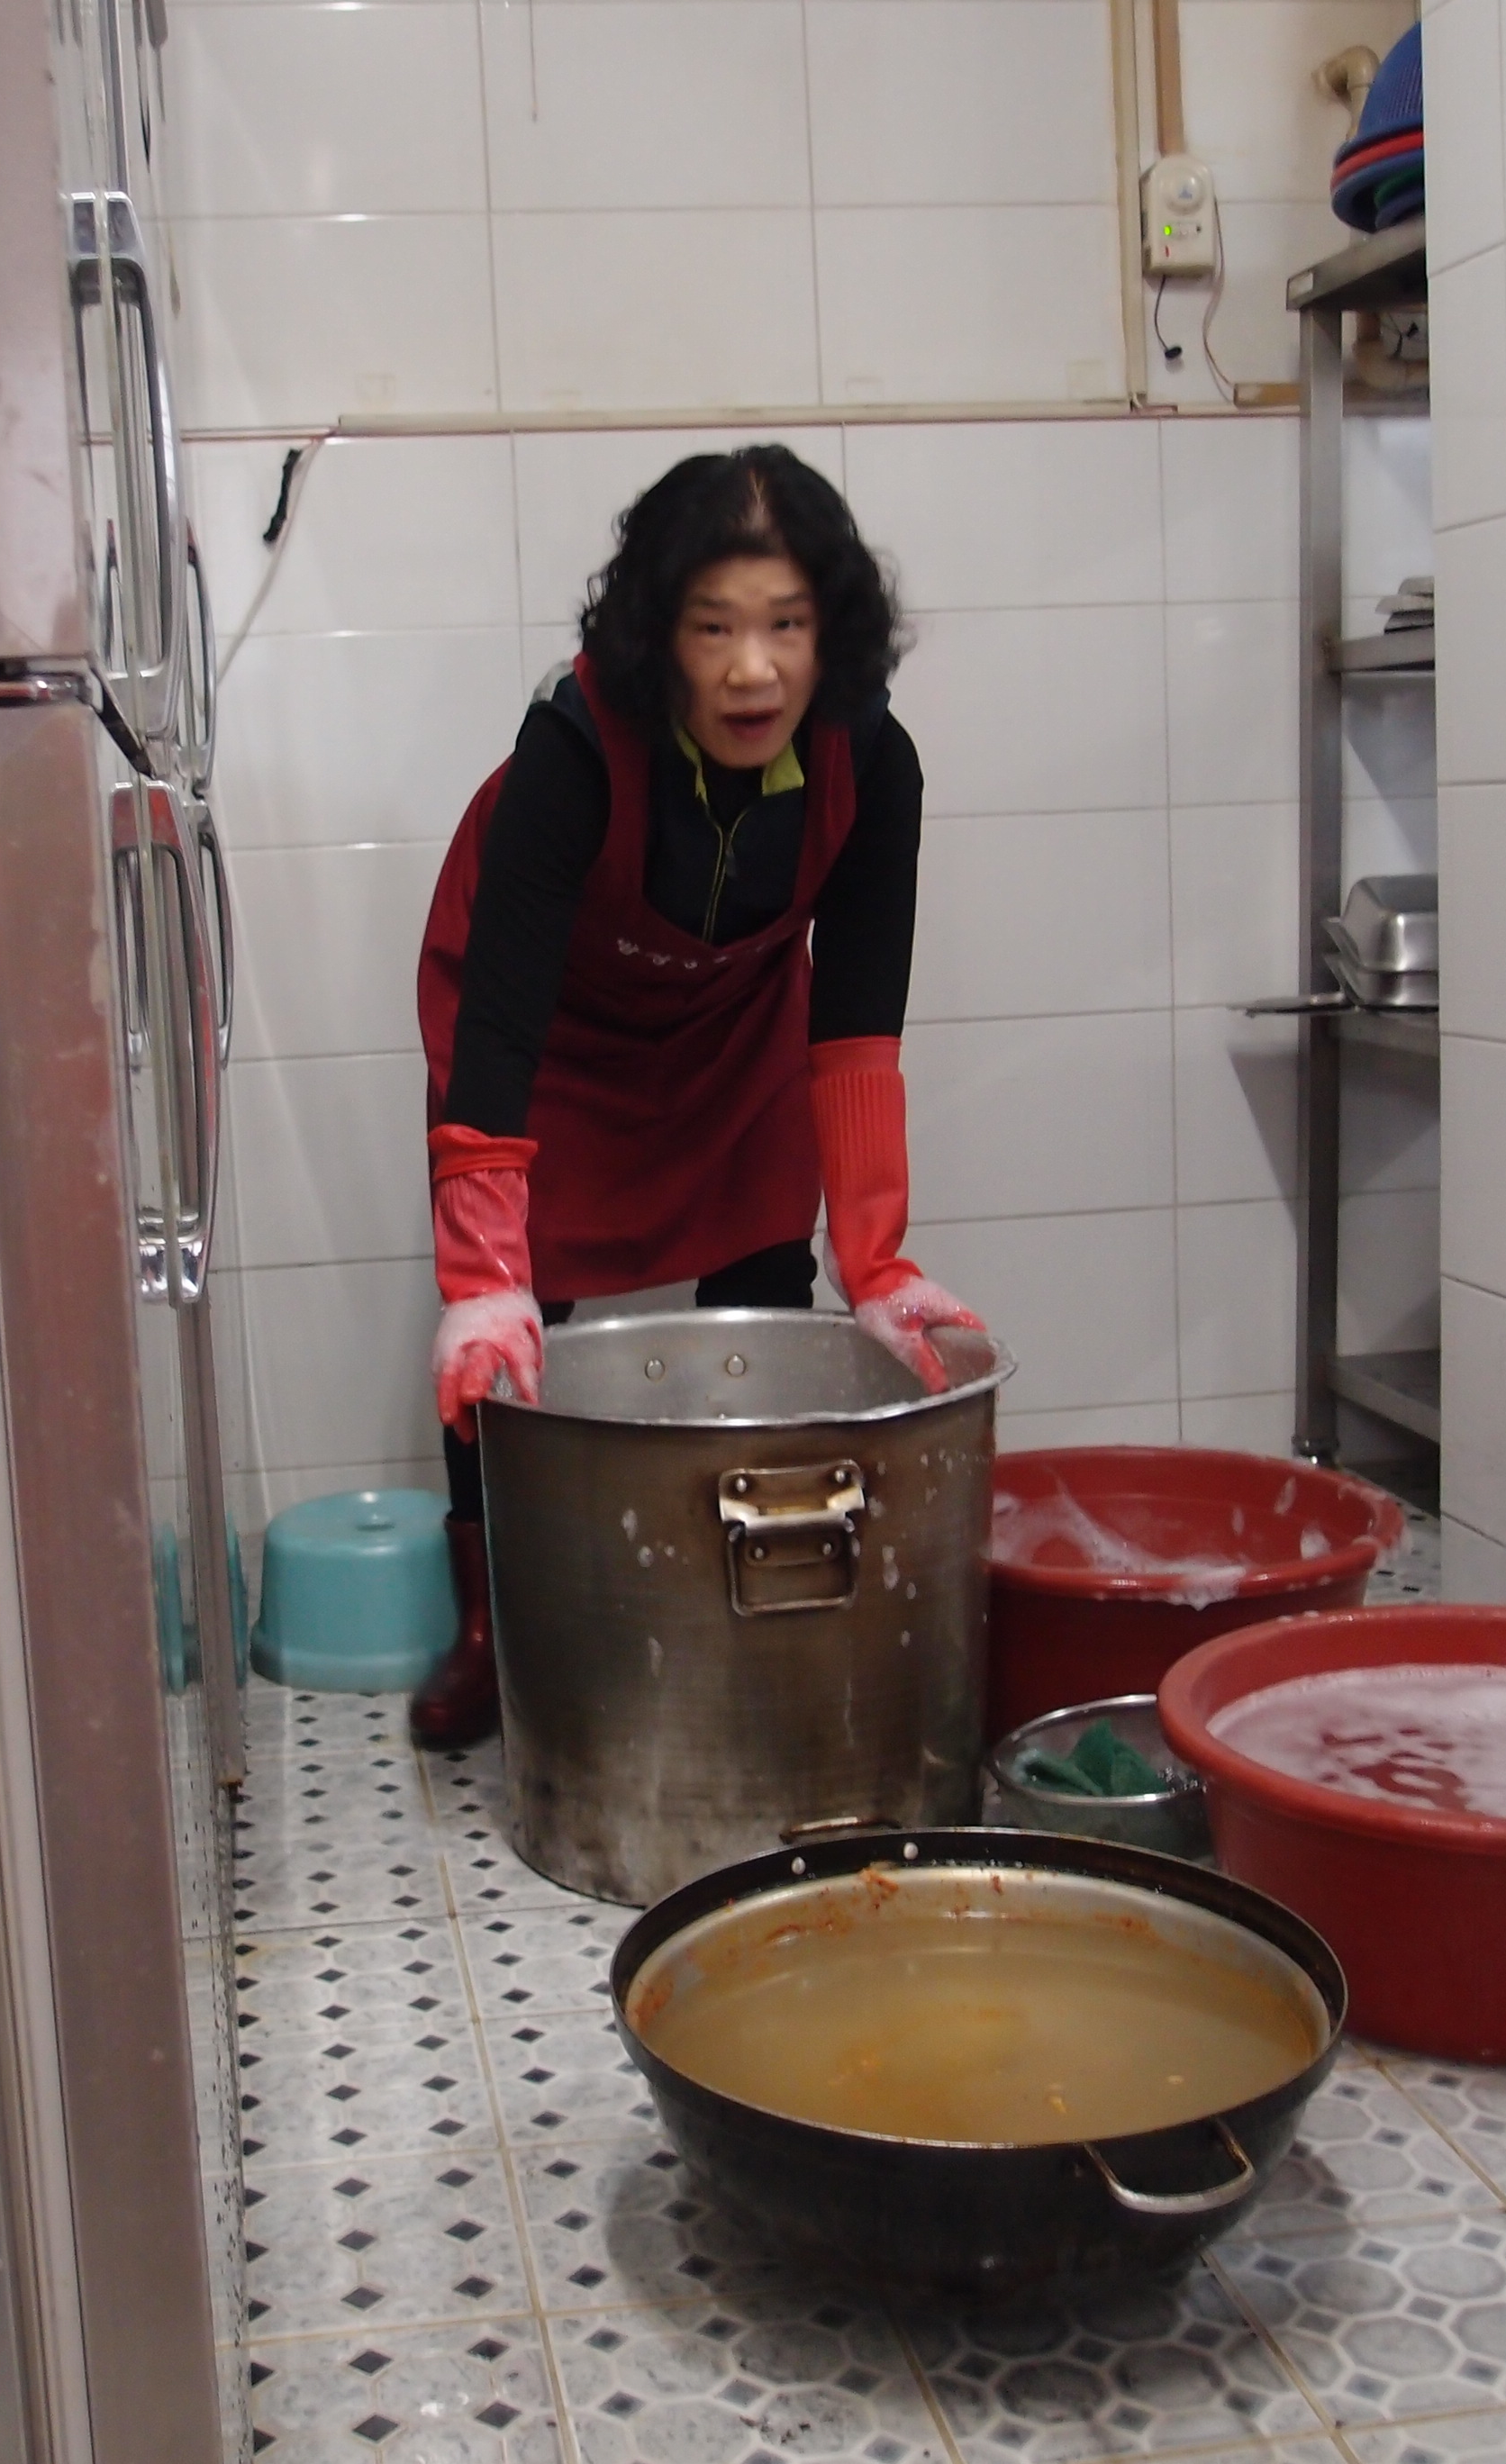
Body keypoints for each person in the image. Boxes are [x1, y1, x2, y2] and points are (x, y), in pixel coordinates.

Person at [405, 446, 984, 1749]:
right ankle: (495, 1627)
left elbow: (856, 1027)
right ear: (658, 637)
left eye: (787, 625)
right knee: (508, 1335)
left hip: (731, 1027)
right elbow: (497, 1022)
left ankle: (754, 1589)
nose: (752, 671)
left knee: (769, 1273)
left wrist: (878, 1261)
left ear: (831, 633)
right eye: (713, 627)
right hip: (546, 1037)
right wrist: (483, 1275)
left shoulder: (872, 762)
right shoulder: (571, 748)